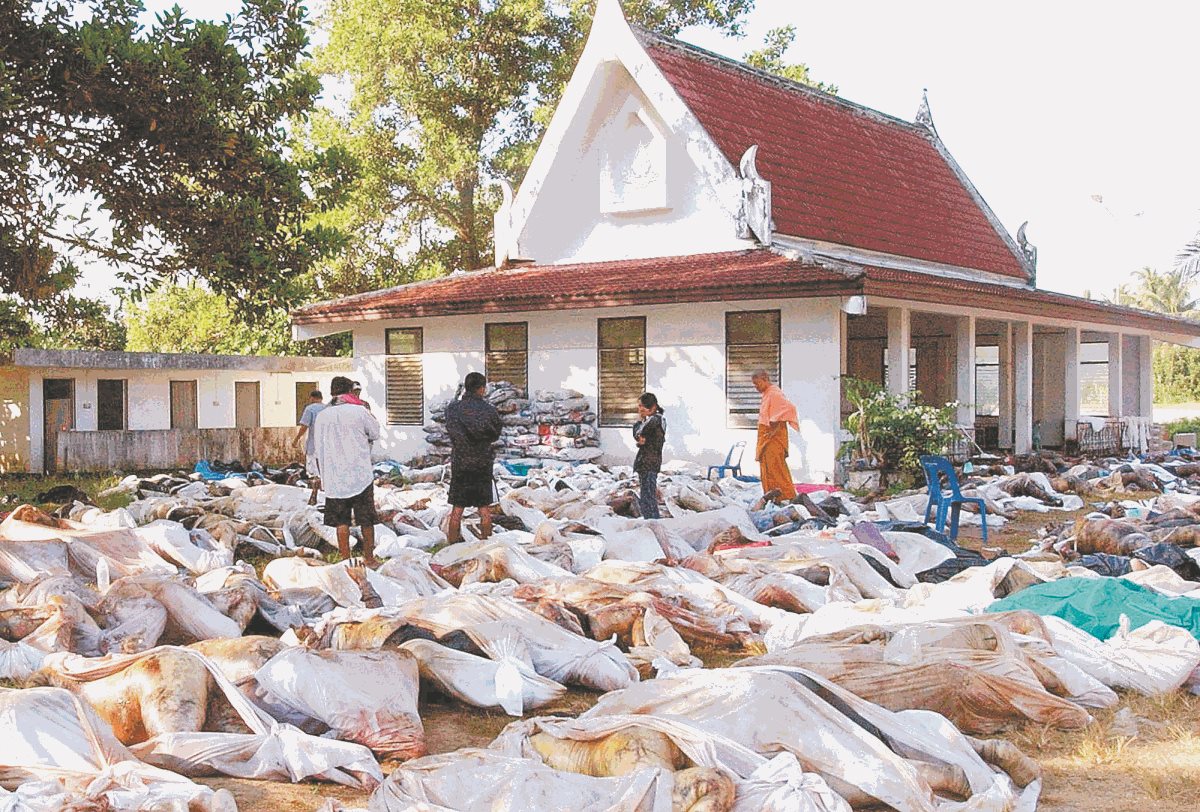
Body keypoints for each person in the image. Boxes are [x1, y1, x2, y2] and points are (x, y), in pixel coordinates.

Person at [312, 376, 381, 564]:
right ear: (350, 391)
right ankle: (369, 558)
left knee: (341, 522)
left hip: (335, 477)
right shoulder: (359, 411)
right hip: (360, 475)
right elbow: (375, 433)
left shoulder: (322, 416)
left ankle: (345, 560)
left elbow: (318, 448)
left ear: (331, 392)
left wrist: (322, 475)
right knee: (366, 520)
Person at [445, 371, 502, 544]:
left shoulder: (452, 409)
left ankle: (451, 548)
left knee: (457, 510)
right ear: (482, 389)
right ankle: (487, 545)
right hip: (482, 463)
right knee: (484, 509)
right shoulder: (489, 410)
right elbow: (495, 434)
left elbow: (450, 431)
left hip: (461, 463)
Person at [752, 370, 799, 502]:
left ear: (765, 379)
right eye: (754, 385)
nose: (756, 388)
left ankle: (787, 497)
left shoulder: (774, 393)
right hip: (766, 438)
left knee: (776, 469)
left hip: (773, 439)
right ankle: (773, 497)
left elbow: (789, 409)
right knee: (767, 470)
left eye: (757, 384)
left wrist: (774, 428)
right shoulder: (767, 394)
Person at [632, 392, 666, 519]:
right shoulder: (655, 420)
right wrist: (640, 441)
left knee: (648, 498)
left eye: (642, 406)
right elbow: (640, 438)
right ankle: (651, 522)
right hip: (648, 462)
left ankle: (653, 523)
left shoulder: (654, 420)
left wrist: (638, 423)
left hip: (648, 463)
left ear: (652, 407)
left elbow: (639, 433)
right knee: (647, 496)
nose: (639, 409)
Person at [294, 389, 327, 506]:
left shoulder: (310, 409)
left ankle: (313, 496)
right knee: (324, 470)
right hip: (327, 446)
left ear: (312, 398)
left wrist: (296, 439)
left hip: (314, 445)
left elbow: (304, 426)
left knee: (313, 472)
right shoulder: (328, 408)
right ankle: (324, 492)